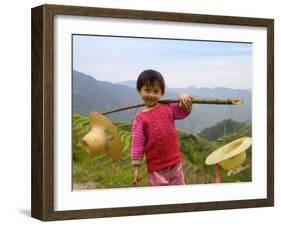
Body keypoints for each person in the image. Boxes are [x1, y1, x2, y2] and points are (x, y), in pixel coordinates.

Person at [131, 69, 192, 186]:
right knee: (160, 199)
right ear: (139, 90)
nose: (151, 95)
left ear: (162, 93)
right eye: (147, 90)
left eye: (156, 91)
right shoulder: (140, 119)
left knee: (180, 196)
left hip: (176, 164)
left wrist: (184, 98)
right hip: (156, 169)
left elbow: (183, 111)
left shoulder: (168, 107)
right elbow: (137, 145)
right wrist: (136, 168)